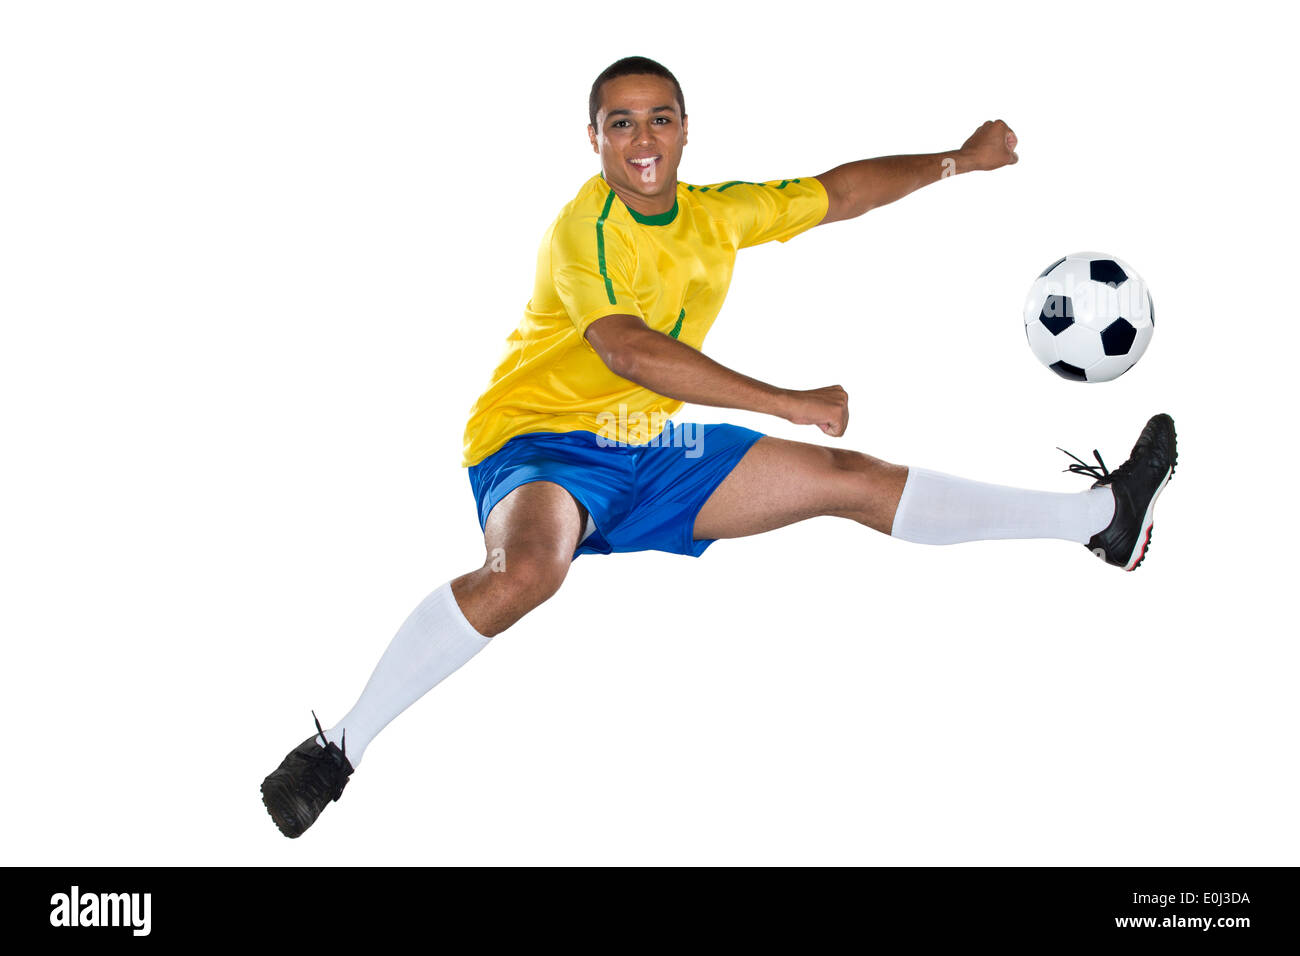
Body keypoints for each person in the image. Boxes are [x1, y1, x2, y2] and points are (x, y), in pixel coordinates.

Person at [260, 56, 1177, 838]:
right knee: (529, 568)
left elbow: (841, 192)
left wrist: (959, 162)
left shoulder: (715, 214)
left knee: (842, 479)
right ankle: (339, 746)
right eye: (621, 123)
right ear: (594, 139)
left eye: (659, 118)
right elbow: (628, 349)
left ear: (686, 129)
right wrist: (788, 400)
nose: (642, 137)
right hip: (542, 438)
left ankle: (1101, 518)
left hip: (651, 441)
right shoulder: (585, 229)